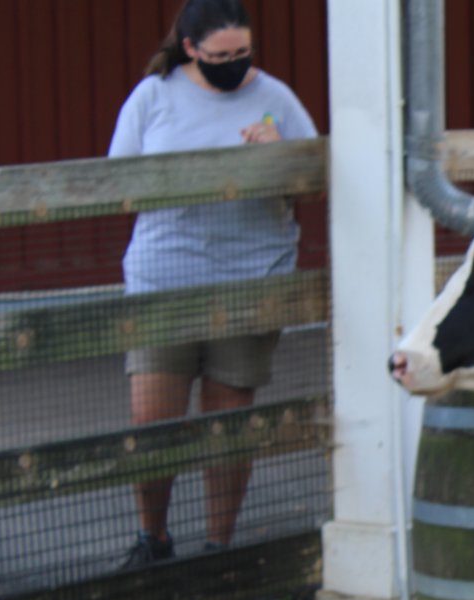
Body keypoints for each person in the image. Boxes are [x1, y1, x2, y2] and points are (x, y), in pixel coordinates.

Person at [109, 0, 318, 568]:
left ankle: (217, 548)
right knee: (152, 423)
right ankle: (152, 539)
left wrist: (280, 158)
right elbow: (113, 181)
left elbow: (317, 176)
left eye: (243, 54)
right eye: (221, 55)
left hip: (250, 281)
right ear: (191, 48)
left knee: (229, 426)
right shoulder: (153, 96)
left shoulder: (275, 98)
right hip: (163, 281)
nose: (234, 64)